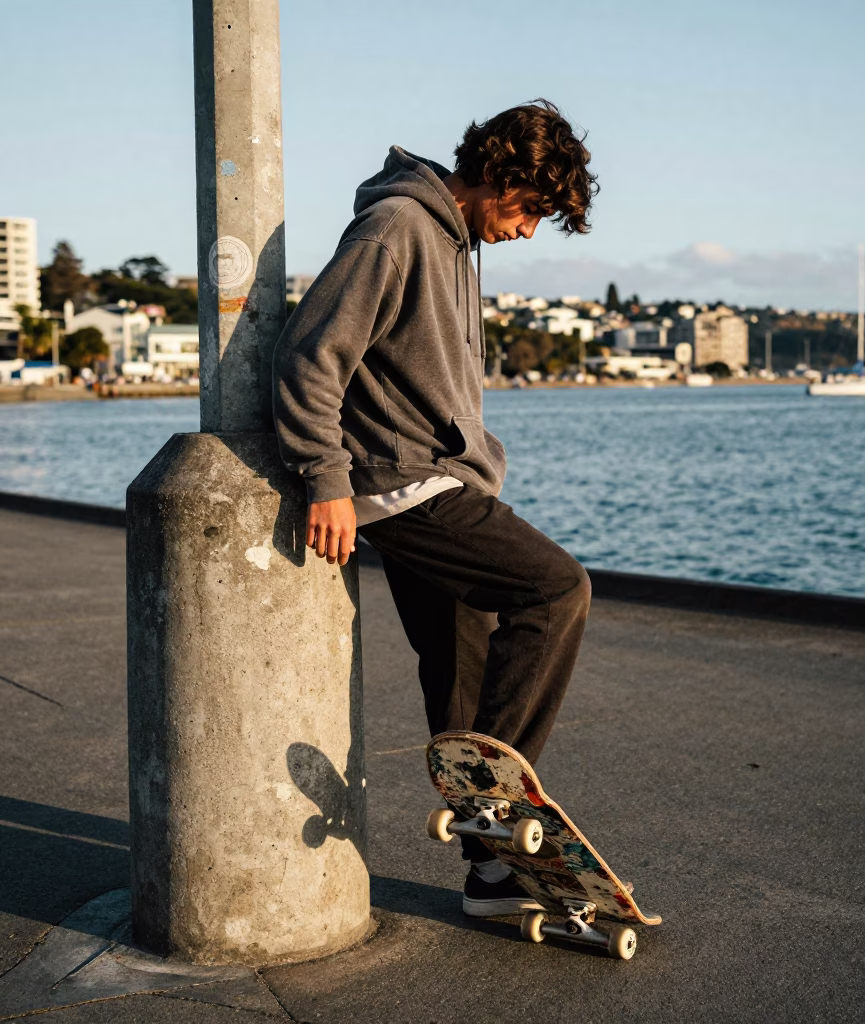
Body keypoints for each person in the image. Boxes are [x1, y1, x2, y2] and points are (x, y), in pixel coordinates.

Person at [273, 99, 597, 917]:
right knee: (556, 589)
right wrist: (326, 479)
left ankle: (490, 876)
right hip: (405, 483)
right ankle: (497, 809)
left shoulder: (454, 241)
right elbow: (311, 354)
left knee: (462, 667)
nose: (527, 232)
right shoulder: (396, 229)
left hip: (434, 478)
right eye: (527, 210)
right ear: (495, 175)